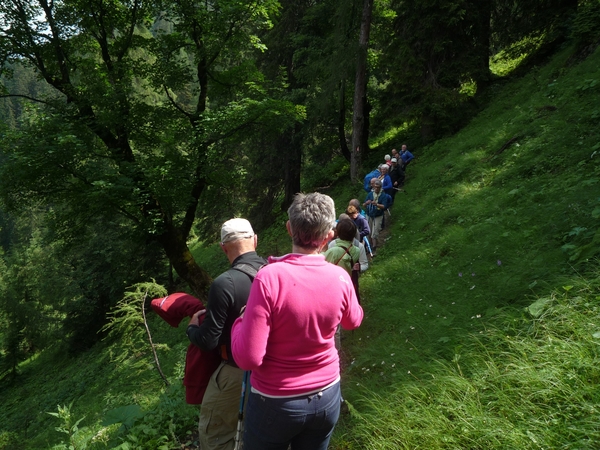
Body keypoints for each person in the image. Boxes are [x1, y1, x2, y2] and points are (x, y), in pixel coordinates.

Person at [231, 193, 364, 450]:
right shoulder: (340, 277)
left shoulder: (269, 278)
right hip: (327, 397)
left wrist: (239, 323)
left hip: (275, 402)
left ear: (289, 228)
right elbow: (353, 321)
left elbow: (249, 358)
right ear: (329, 235)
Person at [186, 218, 266, 450]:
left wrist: (192, 328)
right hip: (273, 368)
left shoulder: (224, 283)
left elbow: (208, 340)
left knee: (215, 433)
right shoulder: (273, 272)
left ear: (223, 247)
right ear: (255, 240)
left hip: (236, 372)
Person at [363, 179, 392, 252]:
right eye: (375, 187)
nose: (376, 188)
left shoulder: (383, 195)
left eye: (377, 187)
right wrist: (367, 203)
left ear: (380, 187)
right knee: (368, 231)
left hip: (378, 215)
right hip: (369, 214)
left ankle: (374, 247)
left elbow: (384, 206)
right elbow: (363, 205)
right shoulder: (370, 194)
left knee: (374, 232)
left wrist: (377, 204)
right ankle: (368, 246)